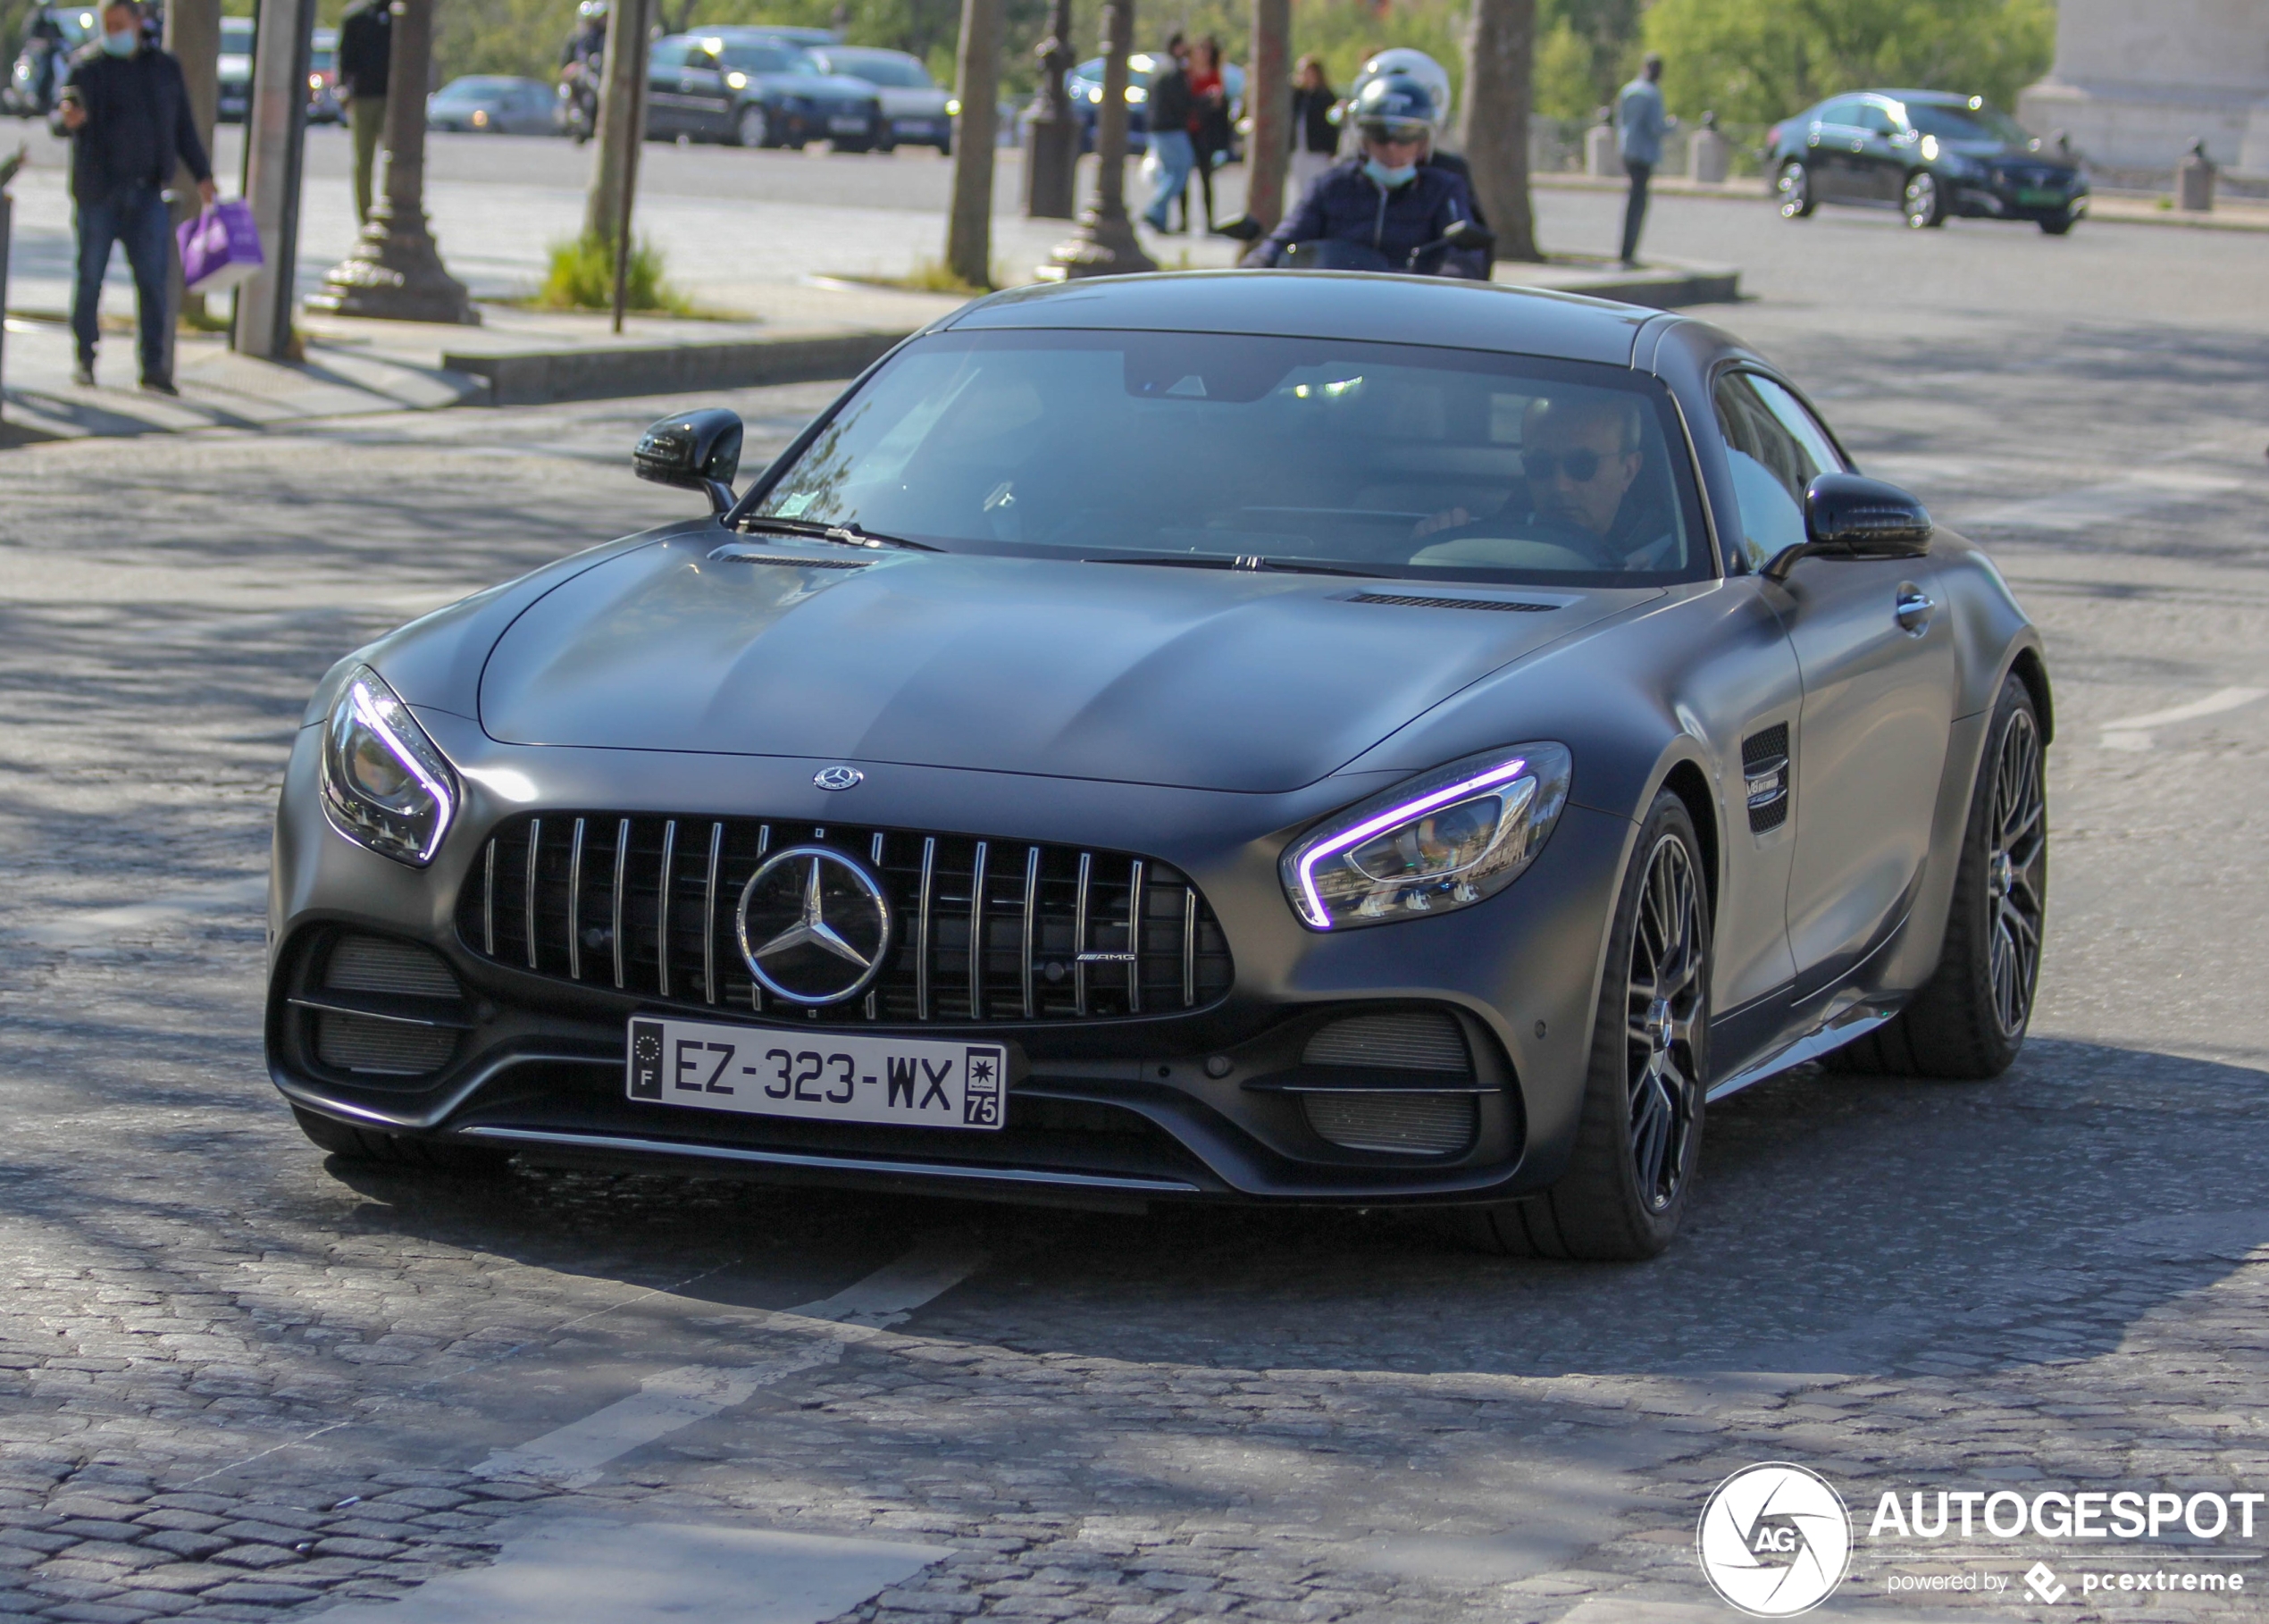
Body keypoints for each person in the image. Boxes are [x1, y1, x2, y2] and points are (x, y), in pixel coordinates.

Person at [57, 0, 214, 394]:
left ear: (138, 22)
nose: (113, 32)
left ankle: (154, 367)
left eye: (119, 24)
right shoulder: (87, 67)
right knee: (90, 277)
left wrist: (204, 176)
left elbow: (183, 128)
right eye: (107, 25)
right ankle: (85, 358)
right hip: (98, 192)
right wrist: (66, 119)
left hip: (146, 192)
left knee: (154, 281)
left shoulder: (163, 69)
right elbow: (60, 115)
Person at [1241, 73, 1483, 276]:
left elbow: (1462, 253)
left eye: (1405, 136)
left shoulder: (1444, 189)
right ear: (1363, 138)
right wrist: (1255, 267)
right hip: (1335, 307)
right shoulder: (1330, 186)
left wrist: (1450, 279)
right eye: (1380, 134)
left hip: (1416, 314)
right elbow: (1285, 240)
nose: (1392, 147)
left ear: (1423, 142)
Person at [1413, 394, 1674, 570]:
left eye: (1582, 465)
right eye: (1540, 466)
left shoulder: (1673, 560)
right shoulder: (1482, 542)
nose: (1560, 485)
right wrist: (1433, 550)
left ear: (1628, 470)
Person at [336, 0, 391, 225]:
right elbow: (344, 58)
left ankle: (389, 210)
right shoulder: (355, 16)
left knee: (394, 158)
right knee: (363, 160)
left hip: (393, 99)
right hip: (363, 97)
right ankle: (365, 217)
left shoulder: (398, 15)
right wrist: (344, 90)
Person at [1616, 52, 1667, 267]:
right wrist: (1672, 126)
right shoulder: (1652, 94)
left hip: (1627, 150)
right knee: (1638, 202)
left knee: (1632, 200)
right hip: (1644, 154)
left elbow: (1620, 119)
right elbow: (1656, 127)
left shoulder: (1628, 90)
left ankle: (1625, 250)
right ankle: (1629, 252)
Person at [1139, 34, 1193, 234]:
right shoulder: (1174, 72)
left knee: (1168, 172)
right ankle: (1154, 210)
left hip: (1156, 128)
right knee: (1180, 170)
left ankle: (1159, 218)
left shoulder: (1158, 69)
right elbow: (1182, 103)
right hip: (1172, 128)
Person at [1185, 35, 1230, 233]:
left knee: (1206, 175)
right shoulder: (1188, 74)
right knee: (1183, 176)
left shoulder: (1214, 75)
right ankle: (1183, 220)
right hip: (1187, 130)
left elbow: (1219, 104)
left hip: (1205, 132)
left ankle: (1209, 221)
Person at [1287, 54, 1338, 202]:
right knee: (1301, 188)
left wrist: (1332, 149)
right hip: (1299, 149)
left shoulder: (1326, 97)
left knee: (1319, 187)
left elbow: (1332, 126)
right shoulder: (1298, 97)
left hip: (1318, 150)